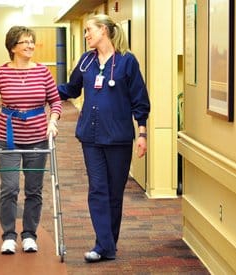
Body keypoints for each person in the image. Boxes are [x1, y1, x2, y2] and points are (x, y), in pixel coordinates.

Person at [58, 14, 150, 263]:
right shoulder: (87, 61)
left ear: (104, 31)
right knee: (97, 189)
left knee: (114, 192)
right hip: (91, 135)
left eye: (89, 30)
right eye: (86, 31)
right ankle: (103, 245)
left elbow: (140, 100)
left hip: (118, 137)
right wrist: (43, 88)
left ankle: (107, 244)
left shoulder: (127, 62)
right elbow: (71, 89)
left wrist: (142, 133)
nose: (86, 35)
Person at [0, 26, 62, 255]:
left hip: (37, 140)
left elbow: (55, 101)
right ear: (13, 47)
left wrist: (53, 121)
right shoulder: (1, 73)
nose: (30, 46)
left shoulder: (43, 72)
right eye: (24, 42)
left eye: (31, 42)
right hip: (8, 140)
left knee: (34, 190)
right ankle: (8, 236)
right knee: (10, 188)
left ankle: (29, 235)